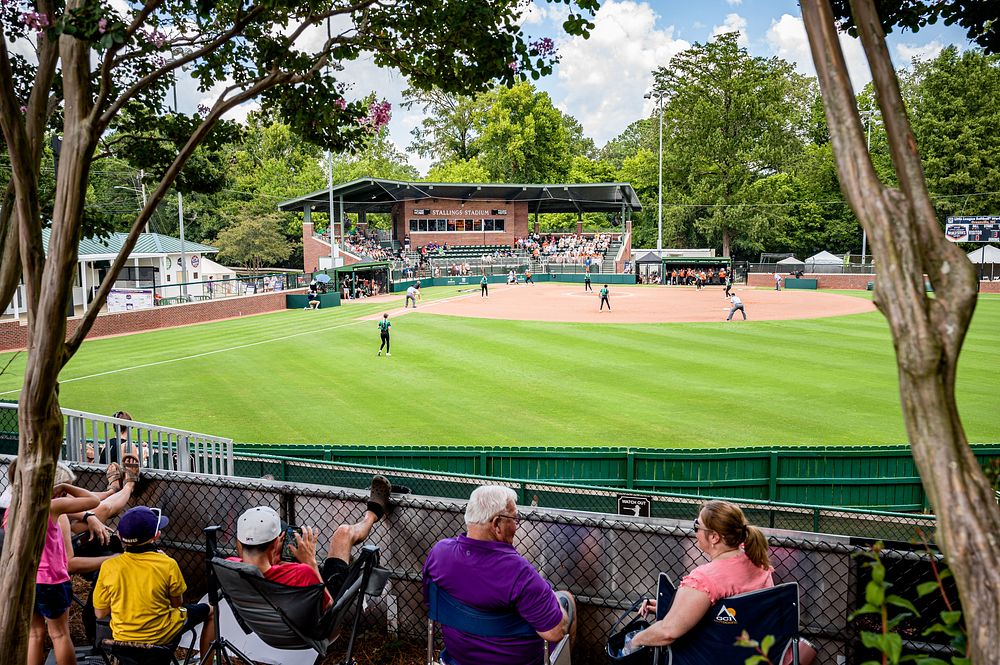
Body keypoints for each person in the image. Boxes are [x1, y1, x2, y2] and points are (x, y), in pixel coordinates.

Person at [422, 485, 577, 665]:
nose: (517, 525)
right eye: (515, 518)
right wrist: (555, 601)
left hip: (459, 657)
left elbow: (430, 601)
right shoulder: (519, 572)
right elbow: (555, 632)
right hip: (518, 660)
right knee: (566, 599)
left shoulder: (439, 553)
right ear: (497, 524)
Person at [624, 501, 773, 653]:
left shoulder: (705, 579)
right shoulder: (758, 562)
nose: (695, 531)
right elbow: (734, 616)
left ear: (714, 537)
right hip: (759, 655)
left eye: (697, 525)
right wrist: (671, 608)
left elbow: (667, 632)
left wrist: (635, 641)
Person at [233, 476, 392, 608]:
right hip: (314, 621)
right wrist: (310, 562)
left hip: (270, 620)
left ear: (239, 544)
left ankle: (370, 518)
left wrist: (277, 562)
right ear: (275, 545)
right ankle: (372, 514)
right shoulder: (303, 573)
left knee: (342, 534)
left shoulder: (230, 567)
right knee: (343, 533)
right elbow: (330, 608)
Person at [4, 462, 100, 665]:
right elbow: (93, 501)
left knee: (34, 634)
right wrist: (67, 488)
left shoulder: (11, 510)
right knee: (59, 634)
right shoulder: (50, 506)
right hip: (51, 581)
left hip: (25, 581)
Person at [94, 506, 216, 664]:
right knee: (211, 612)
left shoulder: (109, 567)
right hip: (160, 639)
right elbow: (177, 603)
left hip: (123, 642)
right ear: (156, 536)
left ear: (119, 536)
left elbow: (100, 613)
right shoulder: (167, 564)